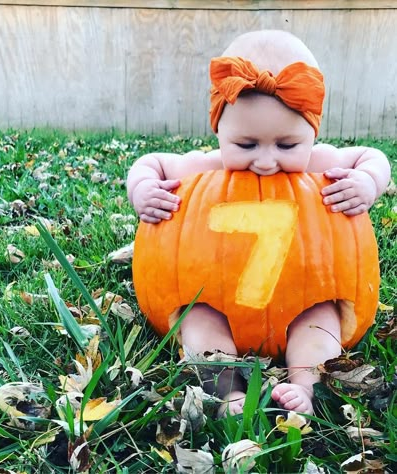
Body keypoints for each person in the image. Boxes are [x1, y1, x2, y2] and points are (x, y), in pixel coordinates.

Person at [126, 30, 391, 416]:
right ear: (219, 131)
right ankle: (227, 391)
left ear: (312, 133)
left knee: (321, 323)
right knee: (198, 322)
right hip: (216, 301)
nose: (266, 160)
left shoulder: (320, 164)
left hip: (306, 298)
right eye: (246, 145)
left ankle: (306, 386)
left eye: (287, 145)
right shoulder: (205, 168)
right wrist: (143, 188)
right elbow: (151, 163)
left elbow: (372, 156)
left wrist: (367, 182)